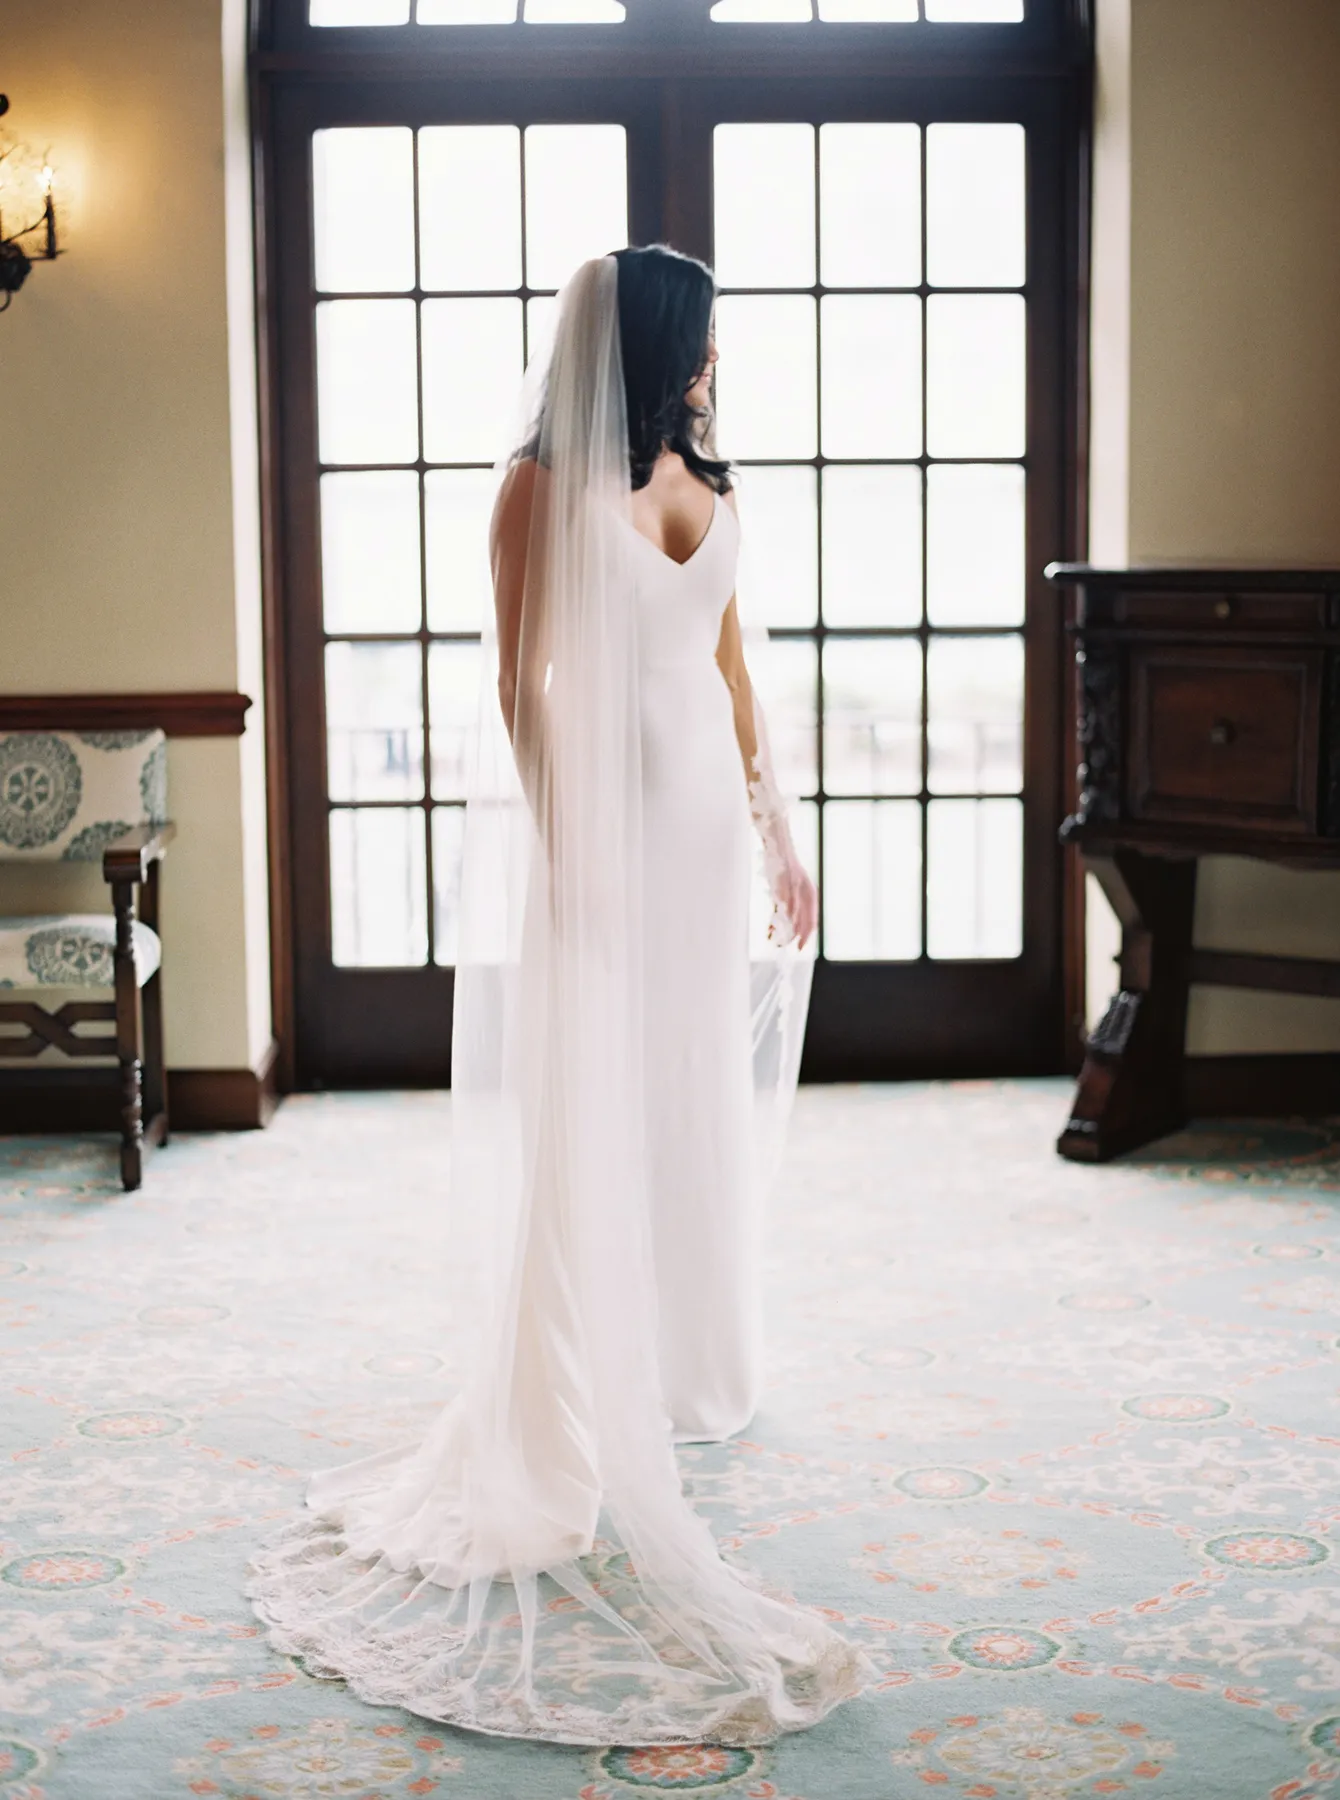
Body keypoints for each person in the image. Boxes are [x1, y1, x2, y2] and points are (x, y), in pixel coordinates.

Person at [248, 246, 871, 1746]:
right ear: (653, 340)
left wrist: (784, 828)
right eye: (703, 335)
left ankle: (689, 1356)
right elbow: (523, 681)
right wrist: (567, 836)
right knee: (597, 1089)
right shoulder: (535, 486)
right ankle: (582, 1382)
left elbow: (729, 673)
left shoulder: (714, 483)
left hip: (705, 829)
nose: (717, 357)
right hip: (601, 827)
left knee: (688, 1085)